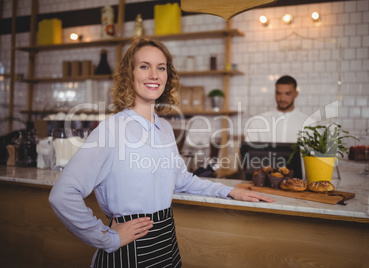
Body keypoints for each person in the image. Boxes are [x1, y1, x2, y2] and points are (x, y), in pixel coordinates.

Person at [49, 37, 274, 268]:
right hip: (129, 250)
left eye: (161, 67)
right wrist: (106, 237)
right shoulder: (110, 130)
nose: (154, 75)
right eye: (144, 66)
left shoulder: (165, 128)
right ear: (130, 73)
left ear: (168, 76)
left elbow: (181, 179)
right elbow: (63, 195)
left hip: (167, 245)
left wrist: (229, 192)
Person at [246, 75, 308, 143]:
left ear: (296, 94)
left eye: (287, 94)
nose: (282, 98)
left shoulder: (308, 124)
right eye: (278, 93)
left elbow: (313, 152)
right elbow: (249, 151)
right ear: (275, 93)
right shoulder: (257, 122)